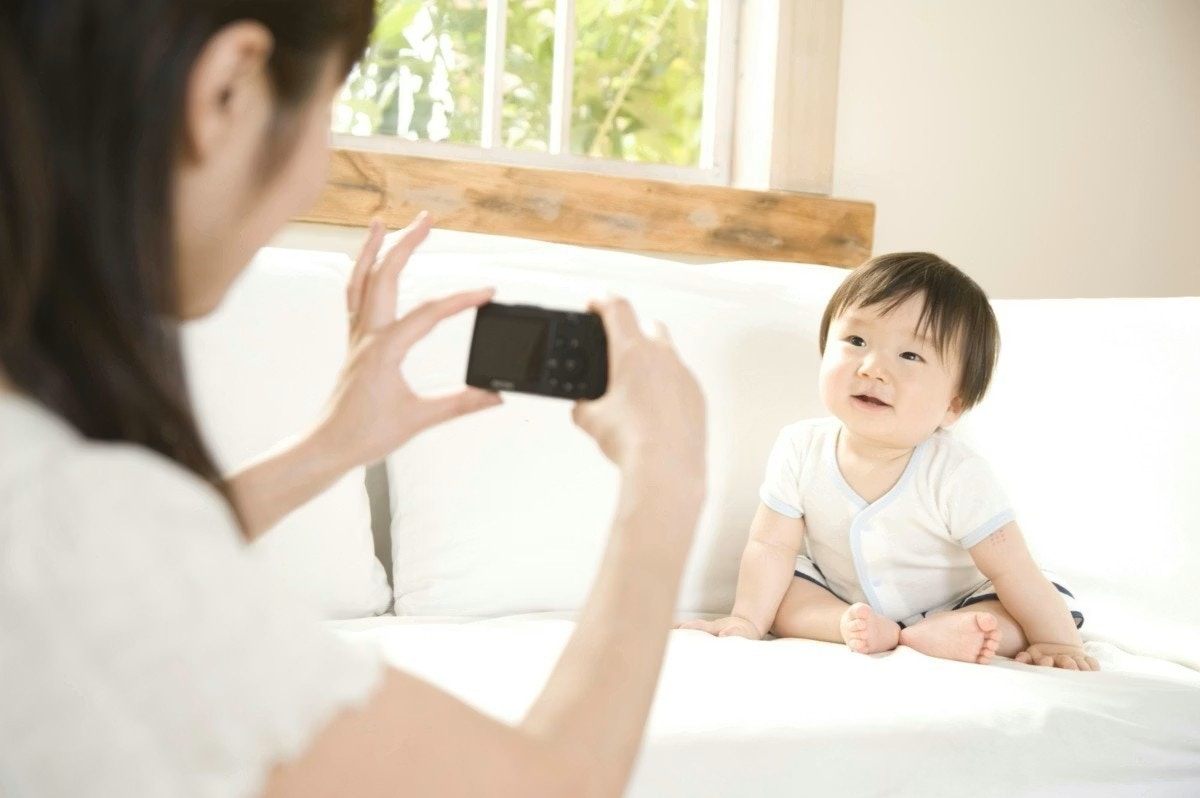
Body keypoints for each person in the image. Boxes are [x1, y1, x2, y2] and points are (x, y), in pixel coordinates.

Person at [0, 3, 706, 796]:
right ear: (227, 87)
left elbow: (123, 577)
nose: (318, 166)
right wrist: (666, 474)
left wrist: (334, 444)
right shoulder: (64, 524)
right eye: (329, 108)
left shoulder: (58, 506)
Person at [680, 253, 1099, 672]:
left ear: (952, 405)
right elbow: (770, 545)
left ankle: (946, 631)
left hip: (962, 599)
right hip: (845, 598)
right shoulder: (800, 446)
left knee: (1010, 616)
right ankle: (849, 626)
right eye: (856, 341)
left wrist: (1057, 642)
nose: (873, 368)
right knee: (783, 593)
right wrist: (747, 619)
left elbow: (1012, 569)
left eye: (910, 355)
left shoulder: (956, 473)